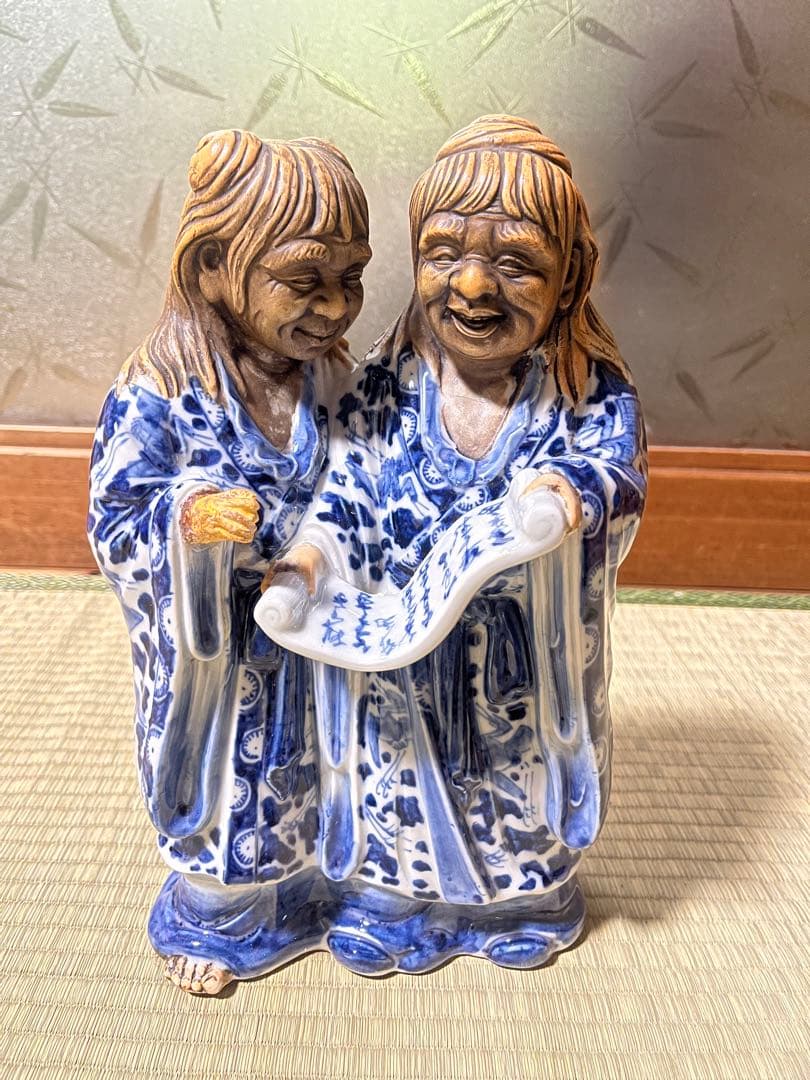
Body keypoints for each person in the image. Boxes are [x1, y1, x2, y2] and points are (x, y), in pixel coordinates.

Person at [269, 115, 647, 973]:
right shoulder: (387, 383)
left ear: (570, 276)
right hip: (399, 658)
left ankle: (520, 901)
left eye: (515, 263)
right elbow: (347, 488)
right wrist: (310, 560)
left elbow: (616, 473)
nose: (473, 285)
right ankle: (390, 903)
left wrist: (571, 495)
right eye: (443, 253)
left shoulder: (585, 391)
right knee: (391, 779)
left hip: (520, 662)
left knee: (517, 787)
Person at [88, 129, 371, 993]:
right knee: (231, 795)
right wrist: (191, 524)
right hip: (223, 658)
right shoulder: (159, 390)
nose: (333, 306)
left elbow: (367, 476)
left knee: (333, 779)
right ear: (214, 265)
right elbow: (116, 519)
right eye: (304, 279)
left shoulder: (332, 381)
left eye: (352, 277)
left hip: (317, 632)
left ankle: (326, 887)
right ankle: (216, 917)